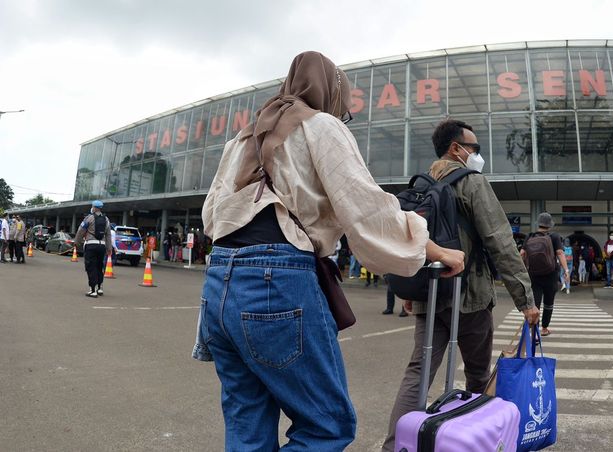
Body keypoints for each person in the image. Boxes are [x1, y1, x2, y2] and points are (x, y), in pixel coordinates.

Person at [194, 52, 465, 451]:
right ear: (330, 92)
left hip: (220, 280)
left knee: (247, 423)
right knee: (327, 427)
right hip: (276, 279)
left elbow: (210, 214)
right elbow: (367, 209)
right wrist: (437, 250)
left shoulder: (242, 138)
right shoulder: (321, 126)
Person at [382, 119, 539, 452]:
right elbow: (500, 241)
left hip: (428, 292)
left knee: (418, 373)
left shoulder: (422, 185)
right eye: (475, 148)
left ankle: (396, 445)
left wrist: (409, 292)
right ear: (456, 149)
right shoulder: (472, 182)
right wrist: (525, 300)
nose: (477, 155)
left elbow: (408, 241)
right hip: (470, 295)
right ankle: (474, 439)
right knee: (478, 374)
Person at [519, 212, 565, 339]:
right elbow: (560, 253)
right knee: (549, 303)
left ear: (538, 223)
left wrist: (521, 270)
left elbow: (522, 254)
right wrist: (566, 271)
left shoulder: (530, 236)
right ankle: (544, 328)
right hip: (551, 274)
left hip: (534, 275)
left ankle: (534, 333)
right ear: (549, 225)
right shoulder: (554, 236)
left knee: (535, 304)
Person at [74, 200, 113, 297]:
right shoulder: (106, 219)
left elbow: (81, 231)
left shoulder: (89, 218)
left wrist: (77, 242)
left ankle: (92, 290)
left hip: (91, 245)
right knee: (99, 267)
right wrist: (109, 248)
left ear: (94, 207)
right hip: (102, 246)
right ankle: (99, 288)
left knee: (91, 267)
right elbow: (108, 234)